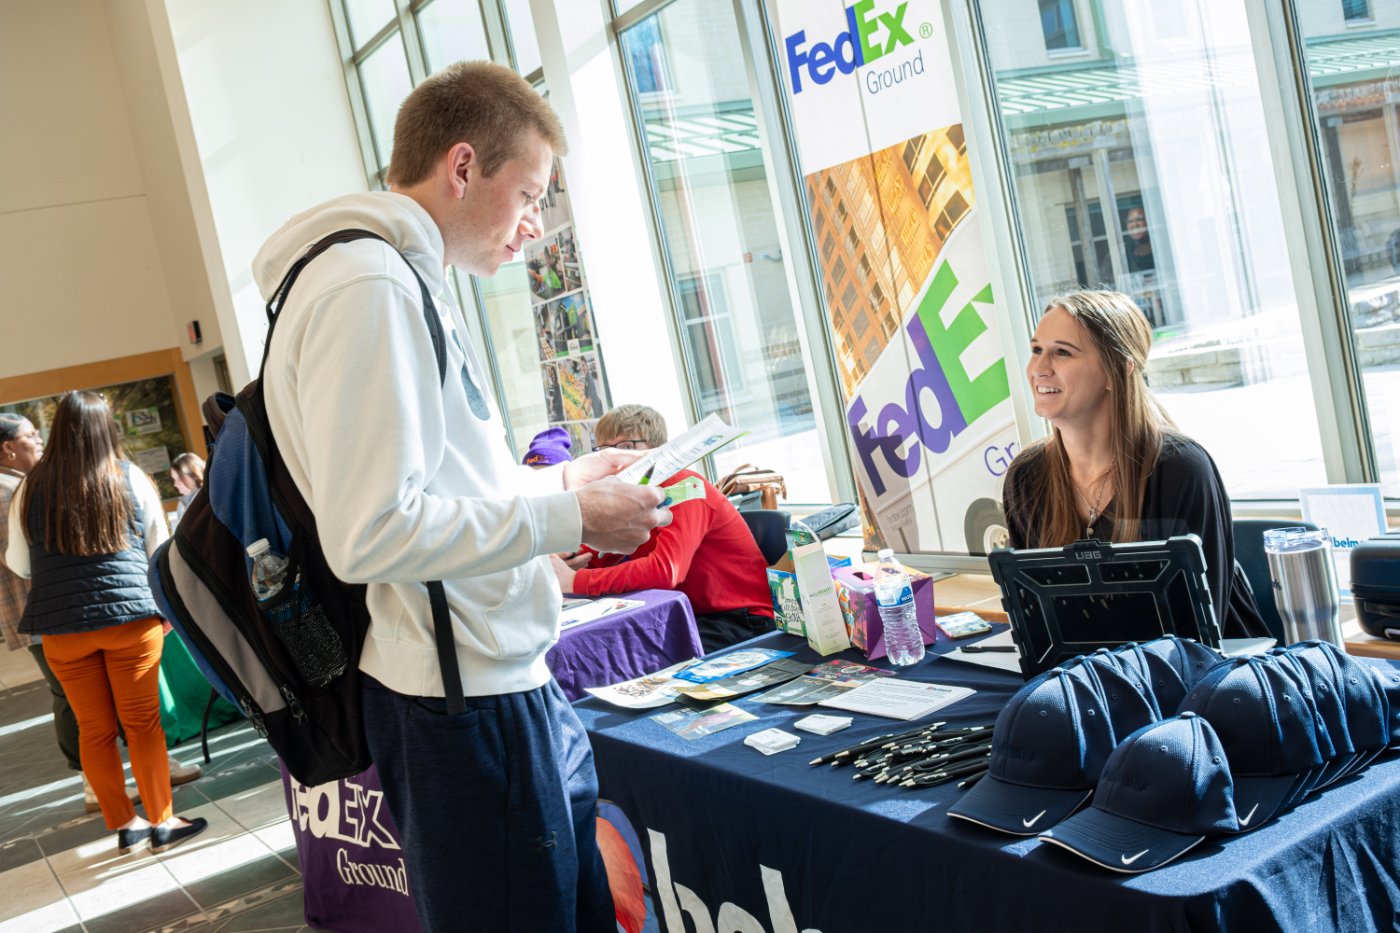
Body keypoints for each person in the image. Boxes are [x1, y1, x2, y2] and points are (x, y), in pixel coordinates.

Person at [249, 61, 667, 933]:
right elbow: (370, 532)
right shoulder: (367, 285)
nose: (536, 225)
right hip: (459, 702)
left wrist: (560, 481)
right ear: (464, 166)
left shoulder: (406, 276)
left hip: (497, 682)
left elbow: (445, 485)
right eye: (529, 193)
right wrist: (572, 517)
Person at [5, 392, 208, 853]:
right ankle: (163, 819)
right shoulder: (130, 476)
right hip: (131, 622)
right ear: (107, 430)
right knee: (143, 725)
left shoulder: (28, 487)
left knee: (93, 729)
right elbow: (160, 547)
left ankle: (125, 825)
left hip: (62, 629)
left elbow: (19, 563)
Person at [1001, 290, 1267, 639]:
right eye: (1037, 350)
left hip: (1191, 680)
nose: (1038, 368)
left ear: (1118, 370)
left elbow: (1197, 636)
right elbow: (1037, 619)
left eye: (1062, 352)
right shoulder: (1027, 477)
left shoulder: (1181, 470)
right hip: (1086, 676)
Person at [551, 405, 775, 653]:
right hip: (685, 612)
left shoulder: (684, 486)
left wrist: (576, 580)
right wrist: (575, 560)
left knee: (620, 655)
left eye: (626, 447)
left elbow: (666, 570)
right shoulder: (632, 498)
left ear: (658, 448)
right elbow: (604, 553)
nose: (614, 462)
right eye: (604, 451)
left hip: (739, 618)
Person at [169, 452, 205, 525]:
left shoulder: (208, 500)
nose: (175, 484)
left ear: (194, 475)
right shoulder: (183, 502)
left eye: (179, 479)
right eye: (174, 479)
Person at [1123, 206, 1155, 274]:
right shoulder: (1121, 252)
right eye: (1130, 221)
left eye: (1139, 219)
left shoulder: (1160, 246)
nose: (1134, 224)